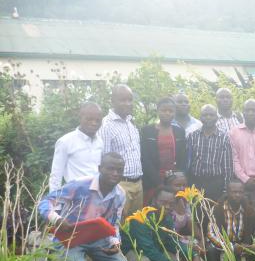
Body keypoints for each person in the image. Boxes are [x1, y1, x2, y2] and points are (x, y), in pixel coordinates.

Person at [38, 152, 129, 261]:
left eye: (119, 170)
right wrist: (57, 219)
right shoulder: (80, 184)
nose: (115, 173)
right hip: (70, 238)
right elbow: (45, 202)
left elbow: (114, 222)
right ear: (100, 168)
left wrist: (114, 242)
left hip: (97, 238)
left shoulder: (120, 194)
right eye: (110, 168)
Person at [122, 186, 204, 261]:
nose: (167, 206)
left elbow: (172, 242)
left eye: (171, 203)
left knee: (178, 258)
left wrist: (193, 255)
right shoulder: (141, 219)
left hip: (151, 250)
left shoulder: (167, 218)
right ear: (154, 200)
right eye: (163, 202)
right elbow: (148, 251)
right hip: (129, 251)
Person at [99, 84, 143, 216]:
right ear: (112, 101)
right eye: (122, 100)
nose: (127, 104)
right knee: (118, 226)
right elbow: (105, 159)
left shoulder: (131, 124)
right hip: (120, 185)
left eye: (130, 100)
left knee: (136, 227)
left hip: (138, 184)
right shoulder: (106, 125)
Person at [205, 179, 255, 261]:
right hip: (222, 244)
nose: (237, 195)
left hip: (243, 244)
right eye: (234, 192)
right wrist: (231, 247)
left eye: (240, 192)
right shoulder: (217, 209)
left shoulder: (249, 210)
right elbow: (211, 234)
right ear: (227, 192)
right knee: (211, 250)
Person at [140, 97, 187, 204]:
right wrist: (158, 181)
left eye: (170, 111)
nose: (167, 113)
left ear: (174, 113)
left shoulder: (179, 131)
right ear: (157, 111)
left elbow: (183, 156)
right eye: (163, 110)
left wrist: (177, 177)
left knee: (173, 208)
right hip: (152, 179)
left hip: (174, 180)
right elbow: (145, 158)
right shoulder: (147, 131)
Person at [49, 102, 104, 191]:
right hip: (75, 196)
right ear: (80, 118)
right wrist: (55, 202)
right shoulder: (65, 142)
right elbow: (56, 176)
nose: (94, 123)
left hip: (96, 195)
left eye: (98, 120)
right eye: (89, 119)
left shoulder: (100, 142)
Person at [187, 104, 233, 201]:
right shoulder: (192, 136)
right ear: (200, 117)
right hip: (196, 182)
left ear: (216, 117)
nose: (208, 117)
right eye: (205, 115)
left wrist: (225, 189)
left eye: (211, 115)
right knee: (196, 212)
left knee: (214, 214)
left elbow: (227, 167)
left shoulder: (224, 137)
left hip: (216, 183)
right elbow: (188, 162)